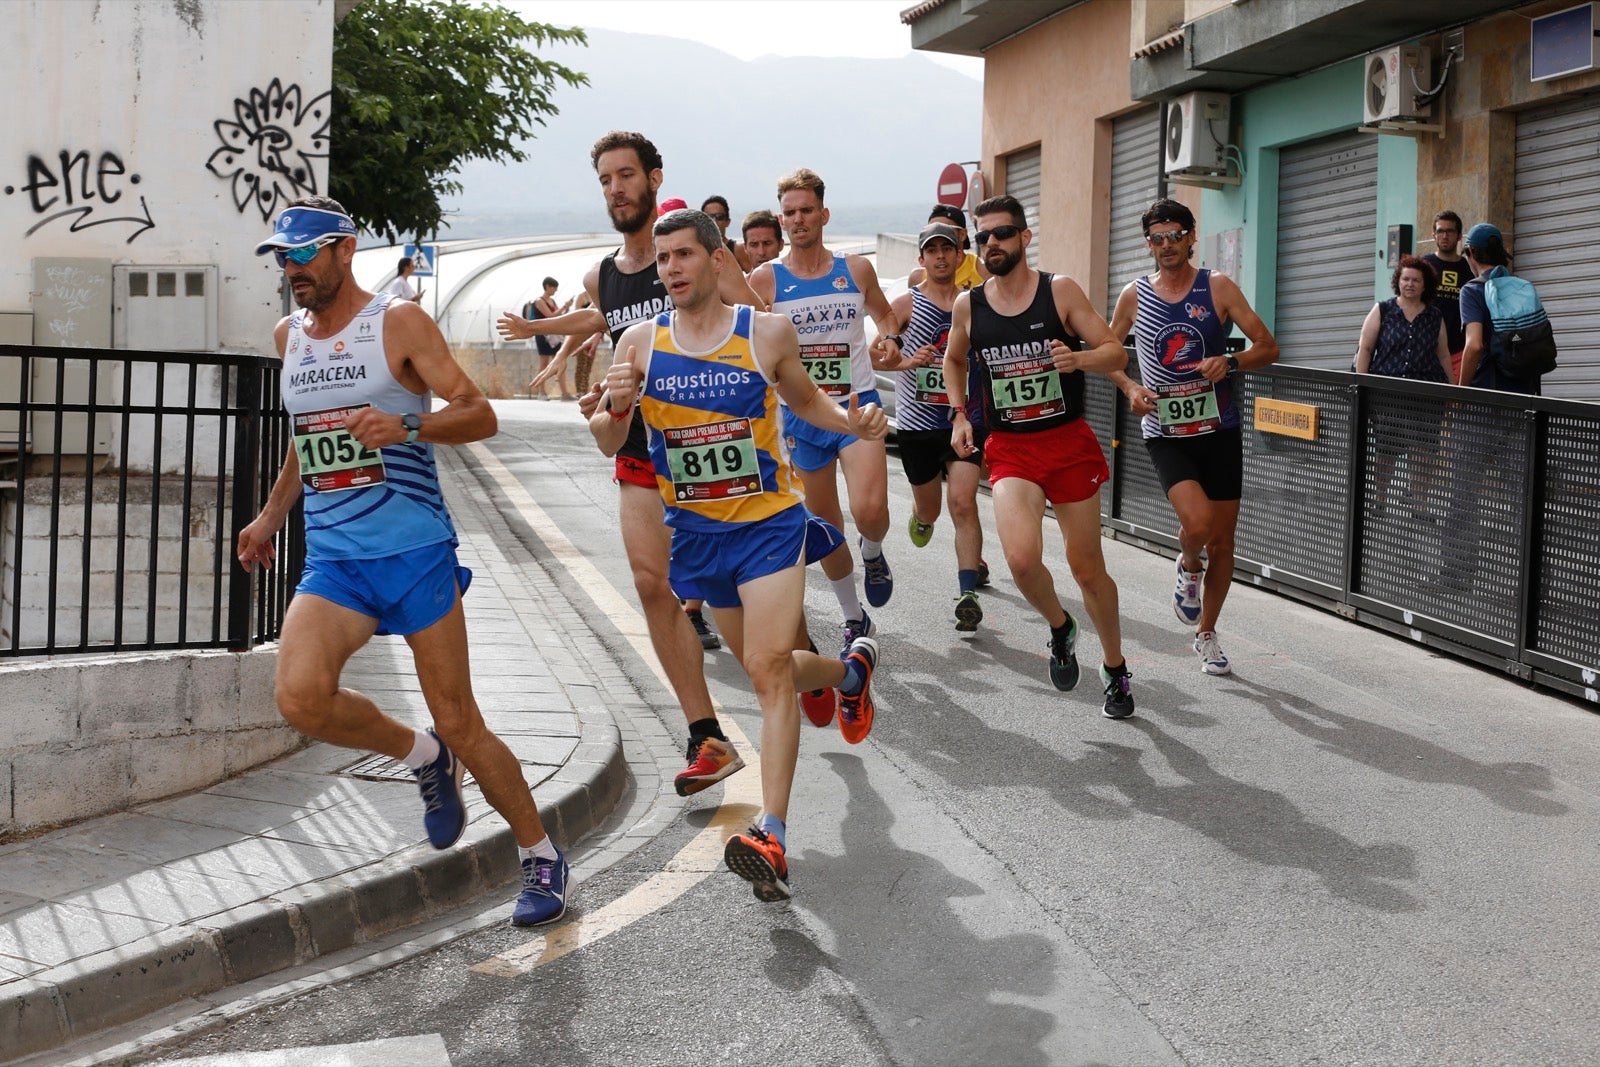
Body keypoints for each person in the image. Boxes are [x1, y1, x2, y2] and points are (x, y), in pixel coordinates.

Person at [239, 197, 568, 927]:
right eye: (281, 257)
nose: (290, 269)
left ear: (344, 249)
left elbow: (479, 411)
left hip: (414, 551)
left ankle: (541, 854)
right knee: (300, 697)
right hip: (334, 559)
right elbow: (309, 436)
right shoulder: (287, 334)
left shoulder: (397, 323)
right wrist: (270, 514)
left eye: (302, 254)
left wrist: (407, 424)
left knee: (463, 718)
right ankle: (422, 756)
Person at [590, 208, 886, 901]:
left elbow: (810, 404)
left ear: (716, 260)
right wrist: (615, 407)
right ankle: (848, 673)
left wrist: (857, 422)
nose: (671, 269)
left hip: (769, 525)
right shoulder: (638, 343)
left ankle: (772, 832)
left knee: (764, 668)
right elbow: (609, 440)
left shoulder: (766, 333)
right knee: (775, 665)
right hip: (698, 535)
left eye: (685, 255)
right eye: (663, 259)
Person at [495, 131, 762, 799]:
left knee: (756, 638)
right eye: (605, 180)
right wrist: (608, 392)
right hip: (644, 453)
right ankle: (707, 736)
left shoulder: (699, 255)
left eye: (626, 176)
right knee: (650, 585)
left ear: (653, 177)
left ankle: (841, 675)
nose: (616, 188)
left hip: (714, 453)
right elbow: (614, 338)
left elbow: (761, 332)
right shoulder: (602, 277)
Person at [943, 194, 1137, 718]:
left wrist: (1078, 358)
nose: (991, 244)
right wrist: (961, 414)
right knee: (1023, 561)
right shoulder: (970, 305)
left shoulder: (1060, 291)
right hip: (1011, 449)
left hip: (1067, 443)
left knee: (1086, 568)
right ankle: (1060, 626)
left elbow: (1116, 352)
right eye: (981, 237)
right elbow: (954, 359)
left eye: (1001, 234)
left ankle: (1115, 669)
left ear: (1025, 238)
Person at [1107, 198, 1279, 677]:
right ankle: (1187, 563)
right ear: (1148, 244)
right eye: (1157, 239)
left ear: (1190, 237)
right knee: (1198, 523)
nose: (1166, 246)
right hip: (1166, 430)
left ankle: (1206, 633)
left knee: (1223, 543)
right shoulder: (1134, 295)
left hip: (1219, 427)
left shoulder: (1216, 286)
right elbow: (1106, 351)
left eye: (1174, 236)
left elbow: (1268, 345)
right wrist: (1130, 387)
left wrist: (1233, 361)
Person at [749, 167, 901, 650]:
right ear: (781, 218)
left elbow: (885, 314)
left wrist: (891, 340)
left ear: (823, 214)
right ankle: (854, 618)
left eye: (806, 210)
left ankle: (873, 551)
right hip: (800, 416)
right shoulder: (765, 280)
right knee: (828, 529)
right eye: (789, 212)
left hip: (858, 407)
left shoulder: (854, 270)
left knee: (871, 510)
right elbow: (746, 343)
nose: (798, 220)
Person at [875, 221, 988, 631]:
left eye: (948, 249)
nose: (941, 256)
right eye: (932, 250)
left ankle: (968, 593)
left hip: (964, 421)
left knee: (963, 502)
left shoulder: (976, 303)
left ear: (961, 257)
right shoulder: (905, 305)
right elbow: (871, 358)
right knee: (933, 509)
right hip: (917, 426)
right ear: (921, 259)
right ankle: (921, 517)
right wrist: (908, 361)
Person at [1457, 223, 1544, 396]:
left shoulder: (1472, 290)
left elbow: (1474, 345)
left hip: (1488, 392)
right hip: (1524, 391)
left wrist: (1461, 391)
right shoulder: (1521, 286)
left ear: (1471, 252)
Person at [1422, 210, 1470, 380]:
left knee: (1453, 403)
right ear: (1434, 235)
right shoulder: (1424, 265)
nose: (1445, 236)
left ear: (1459, 236)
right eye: (1440, 231)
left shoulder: (1468, 268)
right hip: (1426, 348)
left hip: (1458, 351)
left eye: (1450, 231)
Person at [907, 205, 987, 291]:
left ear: (963, 234)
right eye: (931, 230)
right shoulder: (918, 278)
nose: (938, 234)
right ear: (921, 260)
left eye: (946, 229)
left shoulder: (982, 270)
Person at [524, 277, 575, 400]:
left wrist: (566, 308)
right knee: (544, 363)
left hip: (555, 335)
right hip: (543, 336)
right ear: (547, 286)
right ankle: (541, 392)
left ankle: (564, 393)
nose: (555, 291)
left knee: (560, 362)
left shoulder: (552, 301)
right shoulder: (539, 301)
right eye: (554, 288)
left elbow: (558, 317)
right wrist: (564, 307)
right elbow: (550, 316)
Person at [702, 195, 754, 271]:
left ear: (727, 221)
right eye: (709, 217)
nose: (714, 221)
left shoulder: (738, 250)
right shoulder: (698, 251)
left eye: (719, 216)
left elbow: (752, 278)